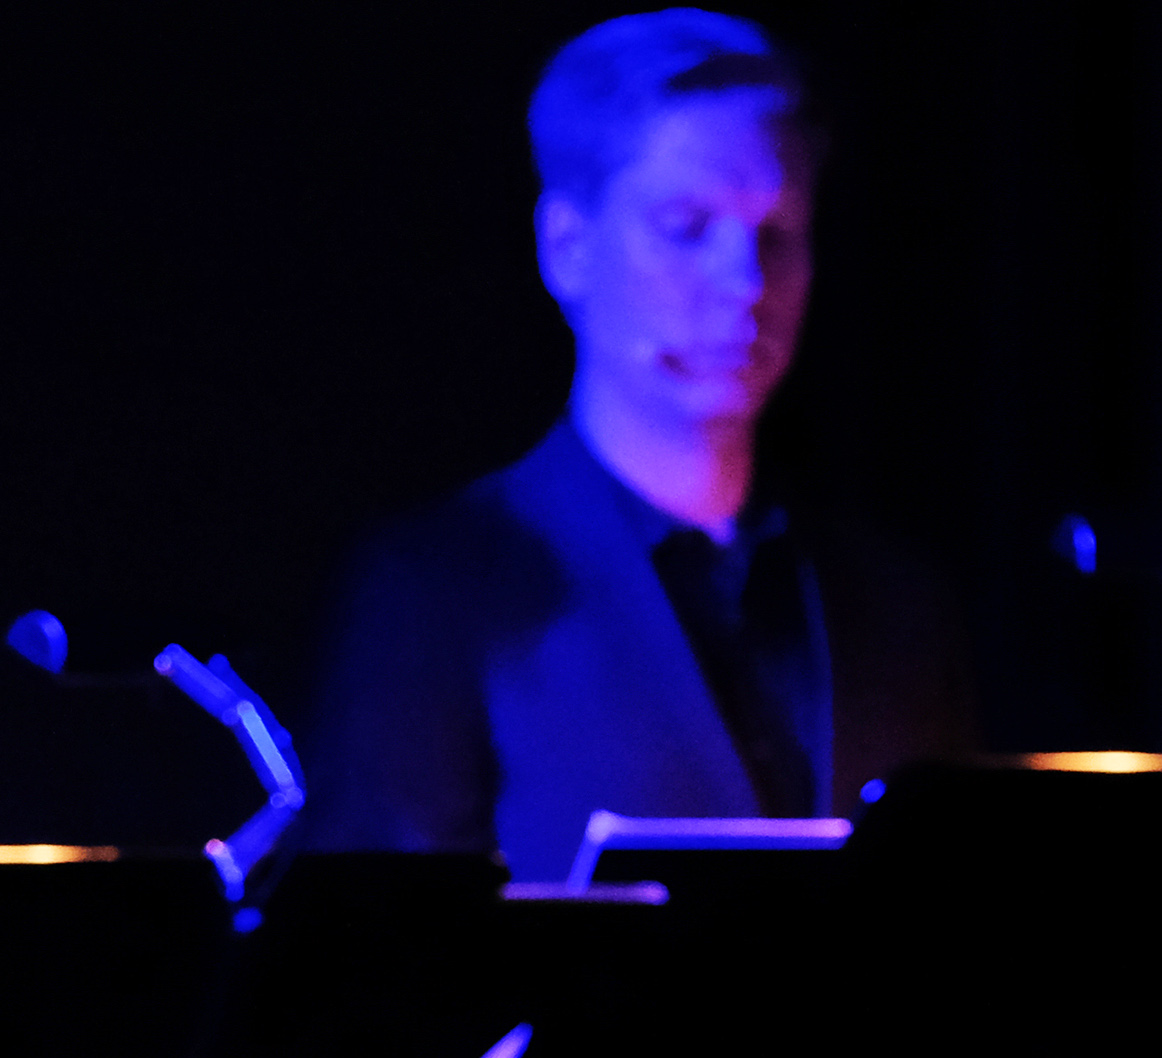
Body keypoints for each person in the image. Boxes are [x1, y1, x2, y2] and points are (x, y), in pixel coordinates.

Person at [300, 12, 973, 882]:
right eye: (686, 226)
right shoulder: (442, 593)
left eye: (776, 235)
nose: (745, 284)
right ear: (568, 247)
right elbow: (382, 948)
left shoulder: (894, 606)